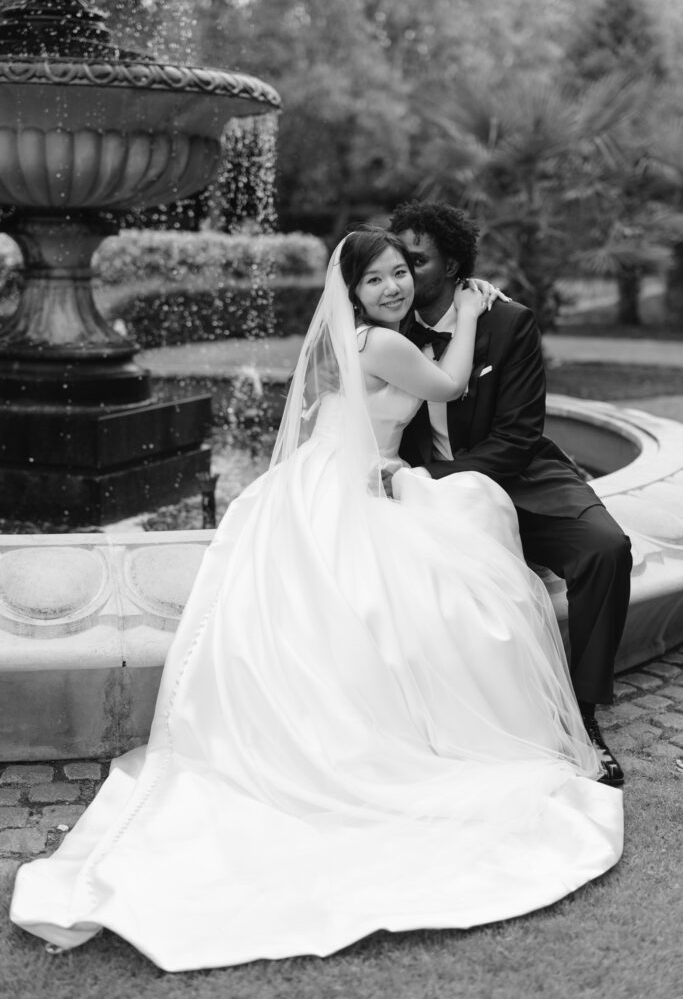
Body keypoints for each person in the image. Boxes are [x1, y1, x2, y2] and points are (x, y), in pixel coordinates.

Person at [10, 229, 623, 973]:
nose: (395, 287)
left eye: (402, 273)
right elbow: (453, 386)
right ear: (353, 293)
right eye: (378, 281)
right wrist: (463, 317)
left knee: (397, 573)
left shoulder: (359, 340)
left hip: (332, 480)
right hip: (352, 486)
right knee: (444, 561)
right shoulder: (383, 345)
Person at [389, 201, 633, 786]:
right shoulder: (384, 323)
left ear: (452, 268)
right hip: (418, 491)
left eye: (415, 262)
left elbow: (519, 437)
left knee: (606, 549)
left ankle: (585, 713)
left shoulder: (508, 321)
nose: (401, 274)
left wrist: (432, 482)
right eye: (396, 261)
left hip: (516, 478)